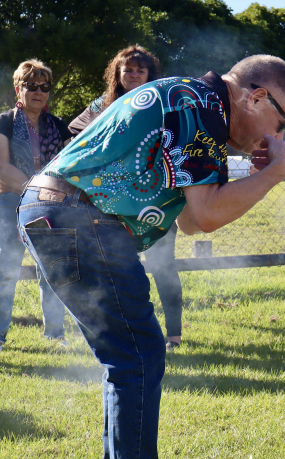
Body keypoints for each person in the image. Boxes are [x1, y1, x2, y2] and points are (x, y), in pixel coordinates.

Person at [17, 54, 285, 459]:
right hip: (83, 217)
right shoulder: (203, 107)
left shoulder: (197, 105)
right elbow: (205, 216)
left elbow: (190, 221)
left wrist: (256, 179)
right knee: (139, 354)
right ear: (257, 97)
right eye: (283, 123)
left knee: (129, 355)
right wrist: (275, 173)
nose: (278, 135)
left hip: (52, 211)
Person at [69, 45, 183, 352]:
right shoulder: (103, 104)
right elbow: (76, 134)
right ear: (117, 74)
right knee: (114, 267)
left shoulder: (163, 103)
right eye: (128, 70)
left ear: (150, 74)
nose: (133, 75)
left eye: (140, 70)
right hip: (109, 202)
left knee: (163, 266)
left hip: (154, 198)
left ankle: (173, 335)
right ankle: (118, 330)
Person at [0, 59, 70, 352]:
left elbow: (68, 170)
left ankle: (55, 335)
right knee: (5, 271)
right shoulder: (3, 122)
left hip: (50, 207)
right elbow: (2, 169)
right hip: (9, 205)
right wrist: (40, 187)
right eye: (31, 85)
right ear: (18, 88)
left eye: (45, 86)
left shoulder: (59, 126)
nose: (39, 91)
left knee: (53, 270)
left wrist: (36, 188)